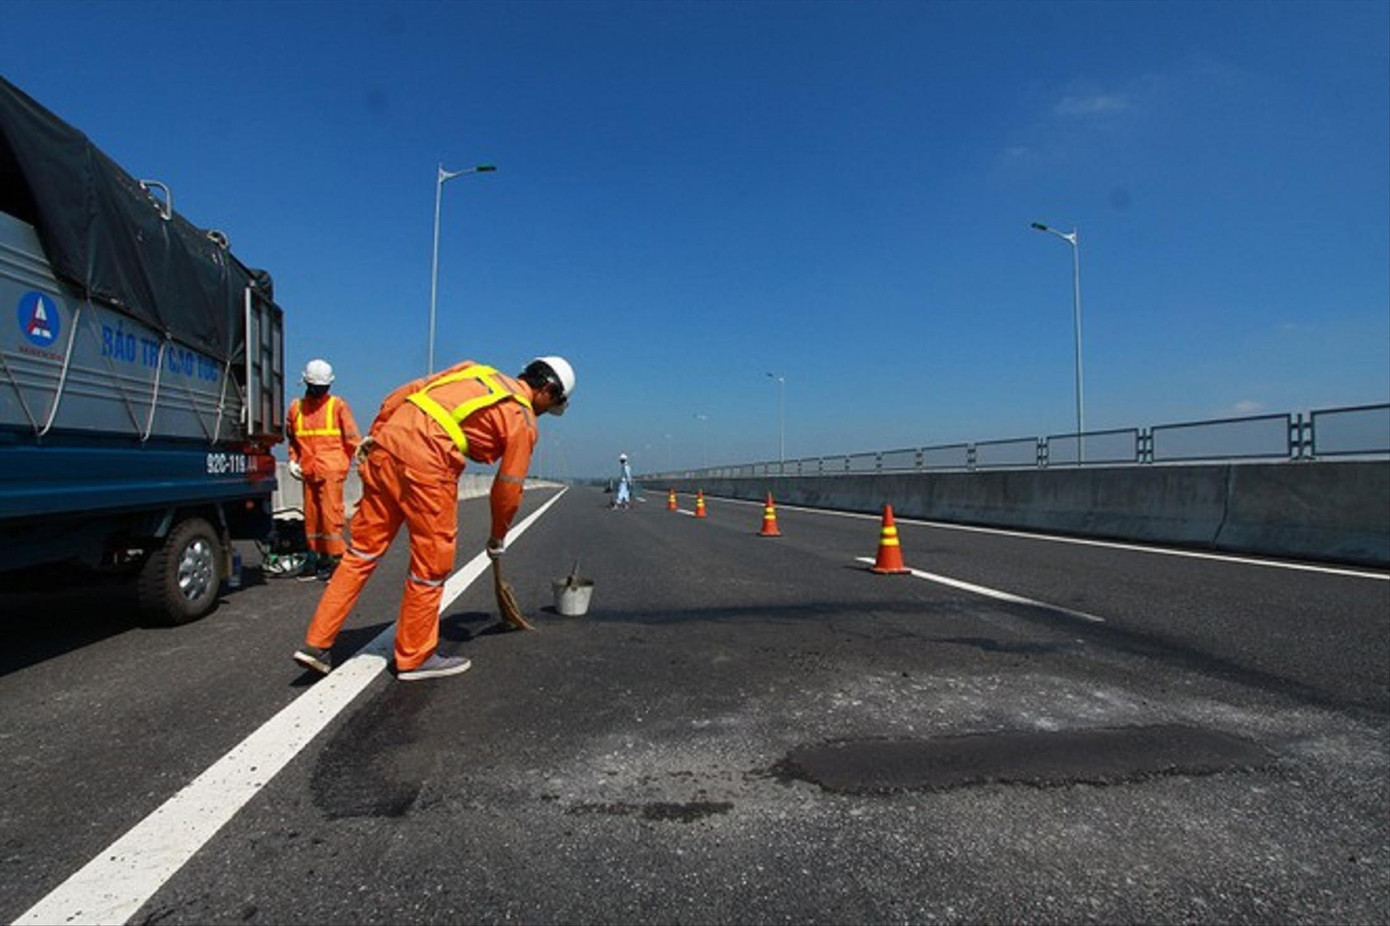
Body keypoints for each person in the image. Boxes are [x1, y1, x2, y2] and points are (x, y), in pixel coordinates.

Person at [292, 355, 575, 681]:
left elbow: (405, 392)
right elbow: (508, 489)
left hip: (388, 448)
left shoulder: (474, 370)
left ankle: (317, 644)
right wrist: (498, 535)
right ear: (548, 390)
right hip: (428, 463)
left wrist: (378, 435)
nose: (544, 413)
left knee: (361, 554)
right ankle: (415, 657)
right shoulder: (522, 419)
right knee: (431, 566)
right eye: (550, 406)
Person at [285, 359, 361, 582]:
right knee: (312, 519)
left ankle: (337, 561)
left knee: (330, 518)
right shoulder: (296, 408)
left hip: (331, 471)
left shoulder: (337, 406)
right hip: (309, 470)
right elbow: (293, 439)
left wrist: (363, 462)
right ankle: (315, 560)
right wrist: (293, 460)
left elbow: (352, 439)